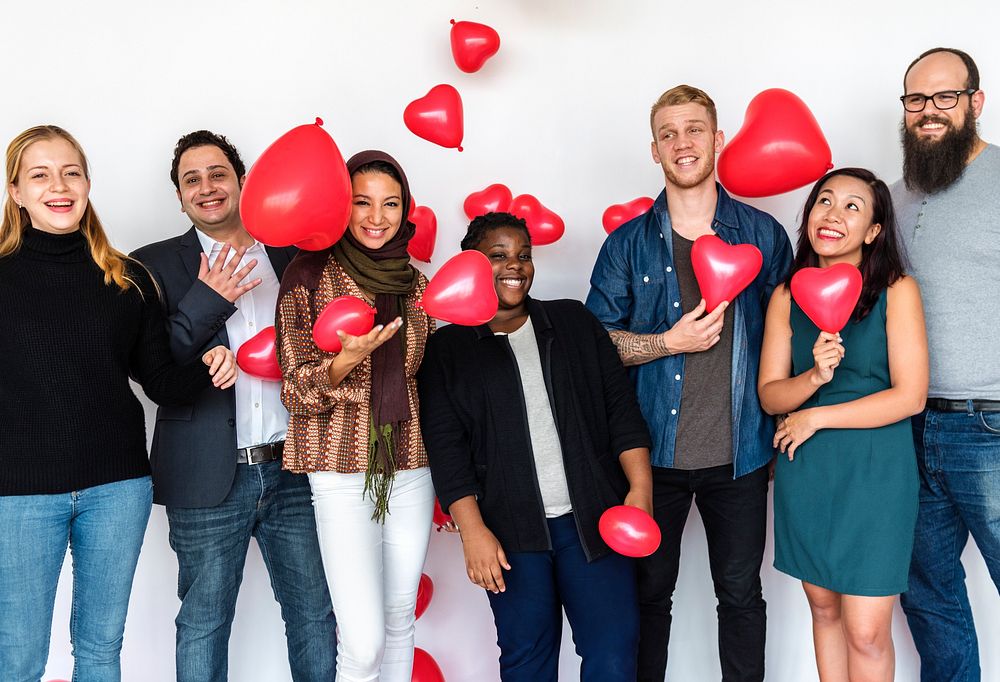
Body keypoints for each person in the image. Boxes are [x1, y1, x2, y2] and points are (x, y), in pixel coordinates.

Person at [0, 125, 236, 681]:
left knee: (101, 652)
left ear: (87, 183)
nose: (59, 186)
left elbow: (159, 381)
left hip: (117, 489)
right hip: (19, 494)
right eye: (40, 175)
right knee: (19, 659)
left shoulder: (125, 277)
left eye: (71, 172)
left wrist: (207, 368)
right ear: (16, 191)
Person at [586, 84, 792, 682]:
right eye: (669, 133)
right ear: (654, 150)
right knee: (648, 599)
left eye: (695, 129)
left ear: (718, 139)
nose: (683, 143)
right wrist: (665, 343)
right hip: (650, 458)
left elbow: (788, 334)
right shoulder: (626, 245)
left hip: (742, 456)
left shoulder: (762, 235)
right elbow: (598, 347)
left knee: (741, 596)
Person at [130, 130, 336, 682]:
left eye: (217, 173)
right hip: (205, 478)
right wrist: (208, 303)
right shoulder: (150, 265)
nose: (207, 187)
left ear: (241, 181)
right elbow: (149, 362)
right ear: (178, 196)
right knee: (203, 622)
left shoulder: (296, 255)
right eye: (190, 179)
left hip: (296, 470)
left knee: (316, 616)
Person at [418, 211, 653, 681]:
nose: (515, 266)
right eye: (498, 255)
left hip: (594, 523)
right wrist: (473, 533)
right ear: (471, 263)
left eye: (523, 255)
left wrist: (640, 491)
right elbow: (446, 450)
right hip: (509, 536)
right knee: (527, 664)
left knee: (614, 655)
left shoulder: (571, 321)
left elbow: (621, 412)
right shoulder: (449, 348)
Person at [759, 167, 928, 682]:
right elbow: (770, 396)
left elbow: (911, 396)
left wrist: (817, 415)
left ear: (874, 230)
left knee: (867, 630)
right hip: (808, 470)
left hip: (876, 472)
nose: (833, 214)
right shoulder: (786, 295)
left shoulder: (898, 291)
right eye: (824, 201)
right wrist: (813, 376)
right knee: (825, 609)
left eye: (853, 206)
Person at [275, 150, 434, 682]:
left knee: (398, 622)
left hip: (410, 466)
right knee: (362, 643)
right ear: (341, 204)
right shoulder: (307, 276)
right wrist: (344, 361)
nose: (376, 216)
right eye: (362, 201)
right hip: (340, 472)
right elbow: (294, 392)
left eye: (390, 204)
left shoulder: (416, 285)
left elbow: (429, 377)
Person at [891, 47, 1000, 682]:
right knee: (929, 598)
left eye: (944, 98)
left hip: (990, 428)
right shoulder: (897, 196)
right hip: (910, 426)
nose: (928, 111)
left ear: (975, 103)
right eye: (915, 100)